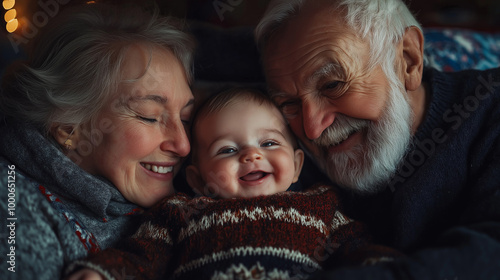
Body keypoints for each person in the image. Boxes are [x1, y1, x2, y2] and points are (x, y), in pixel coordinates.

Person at [255, 0, 500, 279]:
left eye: (333, 85)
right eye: (289, 103)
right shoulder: (285, 150)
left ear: (408, 60)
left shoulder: (489, 108)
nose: (312, 128)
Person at [66, 88, 401, 280]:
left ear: (298, 165)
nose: (252, 156)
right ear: (197, 180)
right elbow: (142, 257)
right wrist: (102, 273)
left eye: (269, 143)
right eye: (227, 150)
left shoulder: (321, 206)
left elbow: (356, 247)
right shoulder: (181, 212)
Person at [0, 3, 195, 279]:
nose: (183, 145)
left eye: (186, 117)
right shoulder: (14, 208)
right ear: (70, 129)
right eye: (149, 117)